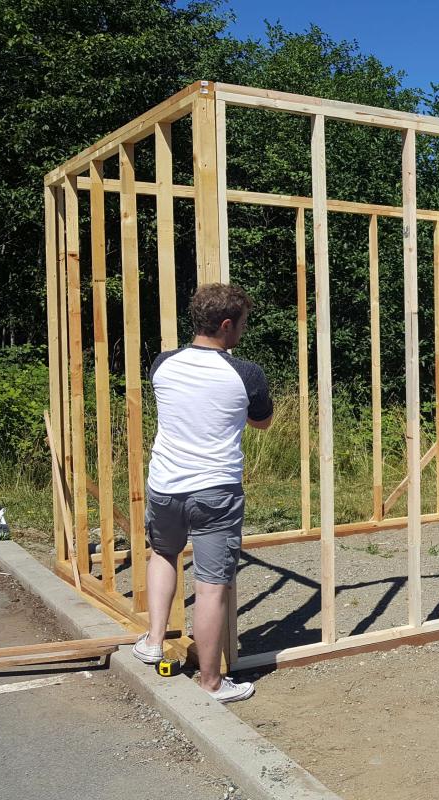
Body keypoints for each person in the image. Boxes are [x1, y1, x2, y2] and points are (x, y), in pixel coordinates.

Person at [130, 283, 273, 704]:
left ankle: (153, 641)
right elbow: (261, 422)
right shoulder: (245, 373)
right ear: (226, 326)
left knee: (163, 553)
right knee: (212, 587)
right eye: (241, 325)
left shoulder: (162, 363)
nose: (243, 332)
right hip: (216, 489)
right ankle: (211, 683)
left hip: (166, 486)